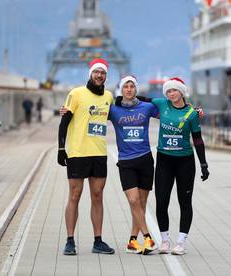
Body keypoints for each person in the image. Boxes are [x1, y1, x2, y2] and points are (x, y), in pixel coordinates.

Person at [125, 77, 209, 255]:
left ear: (182, 92)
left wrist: (203, 164)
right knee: (162, 202)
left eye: (174, 91)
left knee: (184, 202)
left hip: (185, 161)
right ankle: (164, 240)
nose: (171, 94)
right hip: (164, 160)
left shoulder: (192, 114)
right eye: (168, 91)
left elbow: (198, 140)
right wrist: (121, 99)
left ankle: (181, 242)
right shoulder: (162, 104)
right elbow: (141, 99)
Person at [57, 58, 115, 255]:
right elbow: (64, 122)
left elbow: (123, 109)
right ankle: (70, 240)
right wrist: (60, 149)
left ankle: (98, 241)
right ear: (91, 73)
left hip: (99, 153)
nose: (100, 75)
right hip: (78, 153)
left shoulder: (108, 96)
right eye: (96, 72)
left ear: (106, 76)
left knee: (97, 196)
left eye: (103, 73)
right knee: (75, 195)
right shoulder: (76, 94)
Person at [108, 75, 159, 255]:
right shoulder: (113, 110)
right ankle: (147, 237)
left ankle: (132, 241)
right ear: (121, 90)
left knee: (142, 203)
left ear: (136, 89)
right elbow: (92, 114)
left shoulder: (147, 107)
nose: (128, 89)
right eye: (125, 87)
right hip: (126, 161)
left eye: (132, 86)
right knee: (133, 200)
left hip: (145, 159)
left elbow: (170, 113)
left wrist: (193, 111)